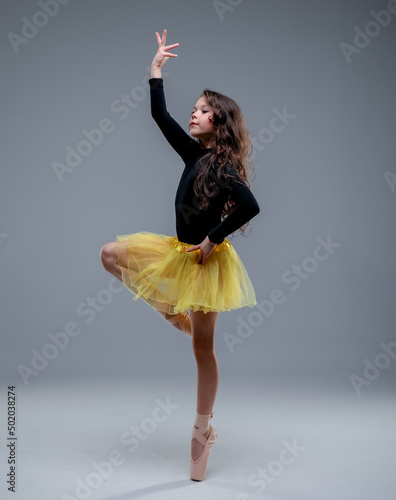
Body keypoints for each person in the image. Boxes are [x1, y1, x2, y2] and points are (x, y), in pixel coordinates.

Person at [100, 29, 260, 481]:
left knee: (203, 349)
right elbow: (159, 114)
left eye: (204, 110)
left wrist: (212, 239)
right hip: (177, 251)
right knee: (111, 255)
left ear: (221, 122)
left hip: (206, 260)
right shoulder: (191, 153)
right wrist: (155, 72)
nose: (195, 112)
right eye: (195, 107)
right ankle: (171, 312)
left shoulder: (224, 167)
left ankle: (203, 429)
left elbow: (250, 205)